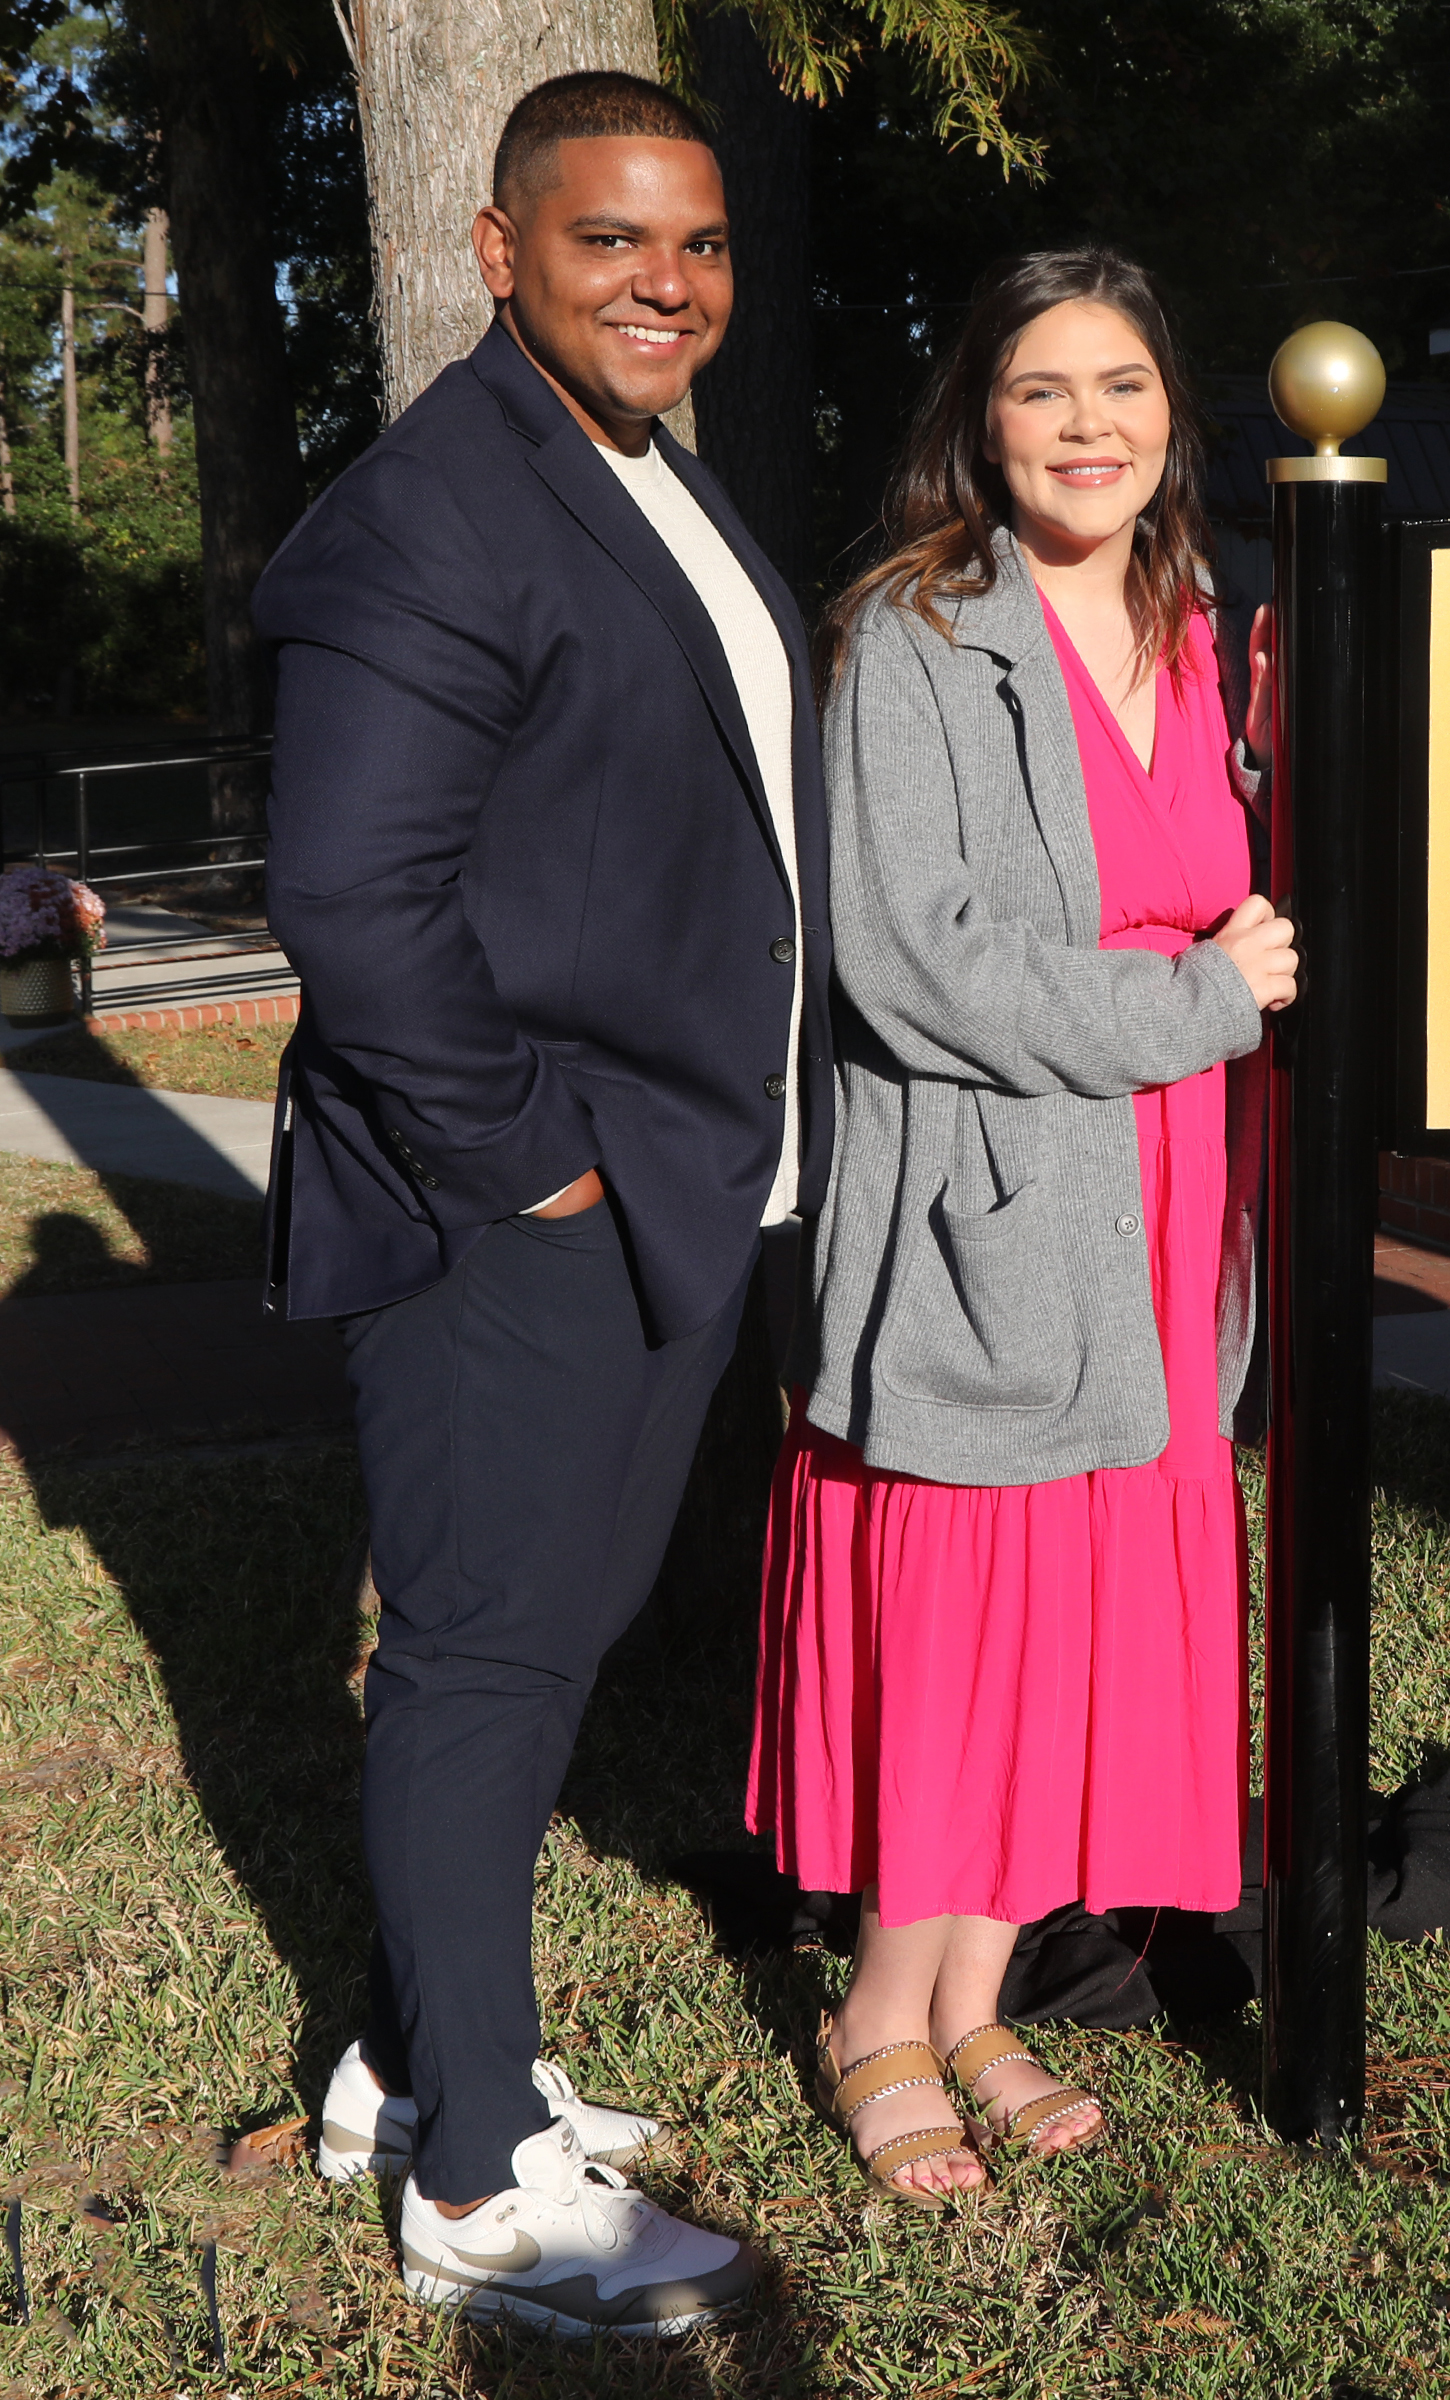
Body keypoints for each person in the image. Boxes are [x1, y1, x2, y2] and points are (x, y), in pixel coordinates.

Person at [255, 71, 821, 2334]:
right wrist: (541, 1174)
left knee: (539, 1643)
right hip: (524, 1204)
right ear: (500, 253)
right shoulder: (432, 516)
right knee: (487, 1656)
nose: (663, 284)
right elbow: (355, 902)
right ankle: (481, 2188)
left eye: (694, 246)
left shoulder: (645, 479)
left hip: (670, 1173)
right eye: (608, 242)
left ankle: (419, 2067)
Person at [749, 247, 1296, 2197]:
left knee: (1080, 1609)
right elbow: (917, 965)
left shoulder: (1207, 619)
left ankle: (980, 1996)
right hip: (997, 1196)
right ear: (979, 421)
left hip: (1162, 1201)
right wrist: (1202, 1003)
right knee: (979, 1611)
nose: (1089, 426)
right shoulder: (912, 635)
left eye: (1124, 387)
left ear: (1175, 417)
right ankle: (880, 2013)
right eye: (1045, 390)